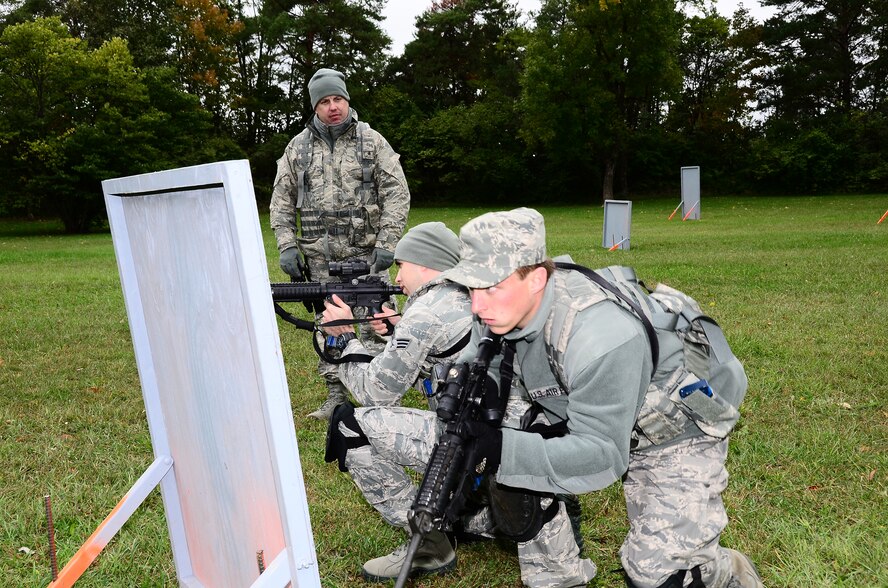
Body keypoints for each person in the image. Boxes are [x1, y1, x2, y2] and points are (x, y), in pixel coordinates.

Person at [435, 207, 763, 588]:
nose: (477, 305)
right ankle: (555, 573)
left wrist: (502, 449)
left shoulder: (600, 337)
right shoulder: (497, 311)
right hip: (584, 406)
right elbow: (482, 363)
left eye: (490, 287)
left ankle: (720, 571)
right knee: (513, 462)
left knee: (659, 576)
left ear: (537, 278)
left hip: (671, 430)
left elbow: (603, 454)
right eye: (472, 288)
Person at [320, 222, 473, 581]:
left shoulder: (426, 312)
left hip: (468, 444)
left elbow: (376, 394)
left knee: (349, 423)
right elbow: (442, 375)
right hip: (491, 436)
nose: (398, 277)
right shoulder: (461, 295)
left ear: (426, 263)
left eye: (402, 265)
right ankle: (465, 512)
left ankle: (431, 540)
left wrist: (344, 339)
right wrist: (397, 330)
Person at [270, 66, 410, 420]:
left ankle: (384, 394)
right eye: (325, 101)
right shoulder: (297, 149)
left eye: (339, 99)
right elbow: (281, 200)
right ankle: (336, 395)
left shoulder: (371, 140)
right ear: (315, 107)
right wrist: (287, 244)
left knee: (378, 323)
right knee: (329, 326)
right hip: (320, 261)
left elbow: (397, 192)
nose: (333, 107)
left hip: (367, 255)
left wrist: (388, 241)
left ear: (347, 101)